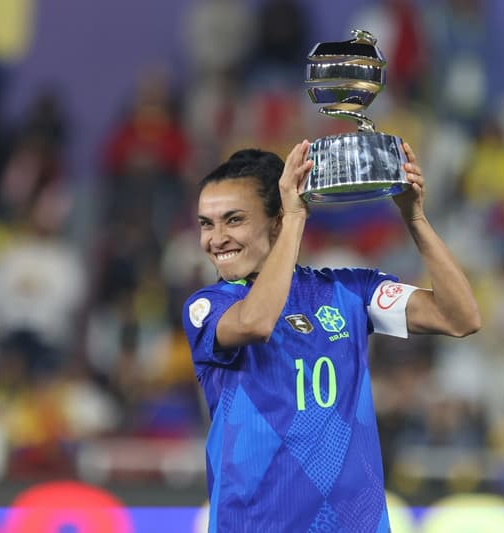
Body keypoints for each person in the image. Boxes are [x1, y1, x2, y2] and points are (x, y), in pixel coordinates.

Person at [182, 140, 480, 532]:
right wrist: (295, 217)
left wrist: (414, 218)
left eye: (233, 220)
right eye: (207, 223)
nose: (216, 238)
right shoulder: (209, 306)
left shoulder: (348, 291)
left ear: (274, 222)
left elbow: (460, 317)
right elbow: (257, 322)